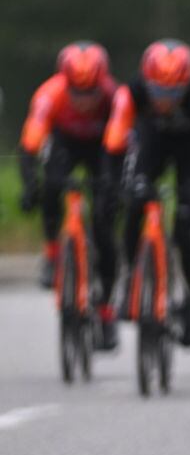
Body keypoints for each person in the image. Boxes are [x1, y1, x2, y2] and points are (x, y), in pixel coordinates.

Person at [103, 39, 190, 347]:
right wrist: (116, 185)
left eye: (173, 93)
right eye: (158, 92)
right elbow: (115, 144)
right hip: (150, 146)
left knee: (185, 227)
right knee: (135, 205)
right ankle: (130, 276)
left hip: (189, 152)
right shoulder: (132, 92)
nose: (165, 100)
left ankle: (188, 297)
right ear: (147, 82)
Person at [19, 41, 121, 349]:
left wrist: (113, 188)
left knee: (105, 231)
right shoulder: (49, 95)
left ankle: (105, 312)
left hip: (102, 146)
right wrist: (29, 186)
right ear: (66, 83)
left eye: (91, 93)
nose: (84, 101)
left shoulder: (114, 96)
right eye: (77, 93)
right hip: (65, 143)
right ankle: (52, 254)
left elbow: (122, 144)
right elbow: (30, 145)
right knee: (51, 186)